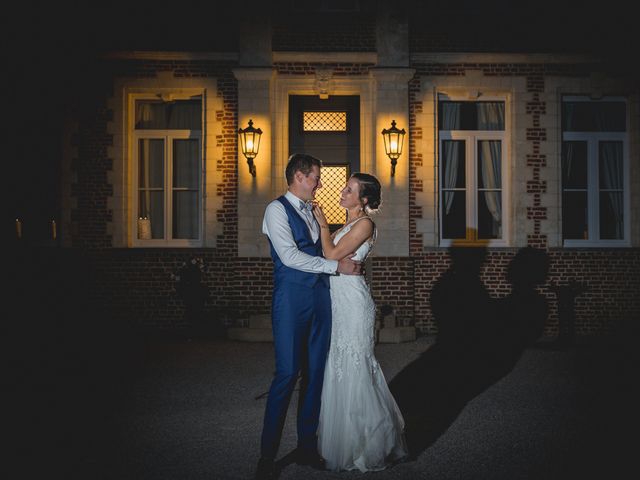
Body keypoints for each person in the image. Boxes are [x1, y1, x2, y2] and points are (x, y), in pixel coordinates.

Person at [255, 153, 362, 480]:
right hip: (291, 300)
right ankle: (267, 457)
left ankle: (306, 446)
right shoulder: (275, 210)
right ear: (299, 176)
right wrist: (335, 267)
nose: (319, 182)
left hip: (321, 299)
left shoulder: (316, 211)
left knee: (315, 374)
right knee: (287, 374)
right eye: (316, 176)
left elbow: (324, 247)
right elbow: (288, 256)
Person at [312, 173, 408, 472]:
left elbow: (330, 253)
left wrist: (323, 223)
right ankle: (344, 440)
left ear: (363, 200)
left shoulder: (365, 224)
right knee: (339, 362)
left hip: (353, 303)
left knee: (354, 364)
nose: (342, 192)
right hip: (338, 301)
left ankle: (369, 443)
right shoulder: (348, 225)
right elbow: (331, 259)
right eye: (345, 187)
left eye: (349, 189)